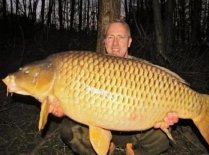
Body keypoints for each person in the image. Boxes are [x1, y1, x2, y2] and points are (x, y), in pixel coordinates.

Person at [55, 19, 179, 155]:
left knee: (160, 136)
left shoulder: (144, 71)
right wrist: (63, 107)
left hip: (135, 131)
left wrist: (165, 115)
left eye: (120, 37)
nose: (115, 44)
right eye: (110, 37)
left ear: (129, 42)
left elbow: (164, 100)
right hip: (103, 129)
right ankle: (107, 149)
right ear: (104, 42)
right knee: (68, 129)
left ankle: (134, 152)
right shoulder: (88, 67)